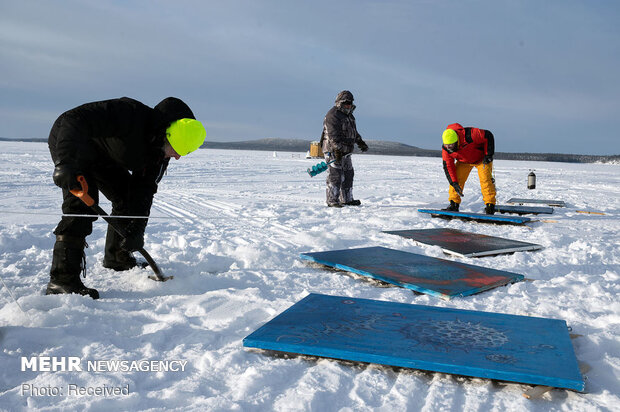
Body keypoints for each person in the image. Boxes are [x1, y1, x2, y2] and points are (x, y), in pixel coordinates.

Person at [47, 97, 206, 299]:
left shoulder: (159, 154)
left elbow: (144, 192)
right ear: (168, 135)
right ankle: (62, 280)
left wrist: (136, 230)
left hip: (103, 155)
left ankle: (117, 257)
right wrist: (65, 162)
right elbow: (74, 120)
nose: (177, 157)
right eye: (177, 150)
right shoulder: (129, 114)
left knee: (126, 197)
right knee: (81, 206)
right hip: (71, 141)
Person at [320, 90, 369, 207]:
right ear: (339, 103)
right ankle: (332, 200)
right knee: (335, 175)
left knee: (348, 174)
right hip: (333, 150)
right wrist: (337, 150)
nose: (348, 106)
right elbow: (333, 136)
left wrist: (360, 142)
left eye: (350, 103)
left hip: (346, 151)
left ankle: (347, 199)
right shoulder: (332, 115)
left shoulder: (349, 116)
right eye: (346, 103)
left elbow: (353, 132)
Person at [441, 122, 496, 214]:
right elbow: (448, 166)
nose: (448, 148)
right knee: (456, 181)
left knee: (486, 180)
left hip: (481, 159)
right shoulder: (446, 149)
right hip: (463, 161)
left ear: (456, 141)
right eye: (446, 145)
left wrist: (488, 154)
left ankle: (490, 205)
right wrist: (453, 183)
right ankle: (454, 204)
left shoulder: (471, 135)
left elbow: (488, 135)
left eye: (451, 145)